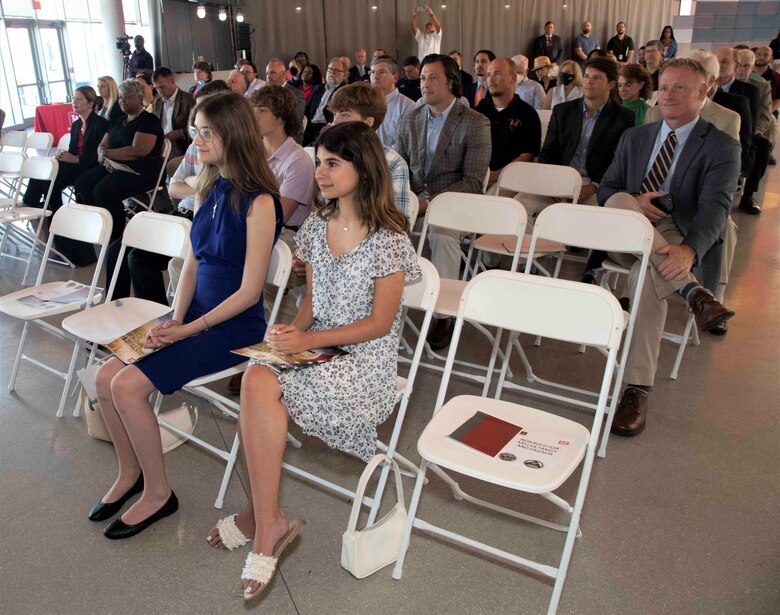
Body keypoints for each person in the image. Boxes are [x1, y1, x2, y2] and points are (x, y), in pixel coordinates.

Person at [205, 120, 420, 601]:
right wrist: (293, 330)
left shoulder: (388, 238)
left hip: (366, 363)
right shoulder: (319, 228)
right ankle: (267, 522)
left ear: (362, 169)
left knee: (261, 382)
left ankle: (257, 519)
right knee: (258, 374)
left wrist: (309, 336)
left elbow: (380, 324)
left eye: (333, 164)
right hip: (323, 345)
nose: (320, 173)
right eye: (318, 162)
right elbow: (312, 303)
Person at [90, 91, 282, 543]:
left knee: (127, 386)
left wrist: (185, 331)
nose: (196, 140)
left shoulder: (261, 202)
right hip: (192, 315)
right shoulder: (211, 186)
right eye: (195, 130)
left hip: (232, 325)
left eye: (206, 132)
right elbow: (193, 262)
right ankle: (130, 474)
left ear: (232, 134)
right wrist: (172, 317)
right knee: (103, 377)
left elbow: (250, 292)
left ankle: (158, 494)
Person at [598, 59, 740, 437]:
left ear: (702, 92)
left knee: (646, 275)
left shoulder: (722, 145)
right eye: (664, 87)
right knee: (619, 203)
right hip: (626, 227)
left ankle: (636, 388)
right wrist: (634, 199)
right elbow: (607, 188)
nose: (669, 95)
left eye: (680, 87)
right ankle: (693, 292)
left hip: (677, 233)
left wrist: (690, 251)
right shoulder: (635, 137)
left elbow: (716, 209)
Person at [395, 53, 490, 349]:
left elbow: (473, 181)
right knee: (383, 229)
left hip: (455, 204)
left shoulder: (475, 122)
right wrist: (409, 200)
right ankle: (387, 302)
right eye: (423, 78)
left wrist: (431, 204)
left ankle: (441, 314)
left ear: (451, 82)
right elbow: (400, 166)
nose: (425, 84)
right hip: (414, 200)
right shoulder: (411, 117)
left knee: (441, 234)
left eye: (433, 78)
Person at [127, 80, 231, 305]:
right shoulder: (197, 147)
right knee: (133, 254)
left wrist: (195, 182)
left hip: (205, 221)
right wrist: (201, 181)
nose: (196, 137)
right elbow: (173, 188)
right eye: (196, 126)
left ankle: (166, 322)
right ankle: (156, 319)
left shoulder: (233, 154)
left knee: (146, 258)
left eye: (206, 126)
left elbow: (219, 192)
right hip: (185, 213)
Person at [74, 79, 164, 299]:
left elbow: (137, 151)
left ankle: (115, 228)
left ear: (139, 98)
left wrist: (108, 154)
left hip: (140, 172)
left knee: (104, 190)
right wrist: (104, 154)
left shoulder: (148, 121)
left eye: (127, 97)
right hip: (116, 166)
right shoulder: (120, 120)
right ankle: (107, 223)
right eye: (121, 97)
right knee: (84, 183)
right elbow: (102, 144)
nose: (122, 101)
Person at [537, 57, 635, 213]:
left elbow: (617, 162)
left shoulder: (623, 117)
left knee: (593, 217)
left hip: (596, 184)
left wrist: (593, 187)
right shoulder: (562, 111)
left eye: (597, 78)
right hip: (560, 178)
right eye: (586, 76)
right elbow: (548, 152)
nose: (589, 82)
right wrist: (553, 183)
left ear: (610, 84)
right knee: (522, 204)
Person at [22, 86, 109, 257]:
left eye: (79, 99)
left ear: (91, 103)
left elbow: (99, 155)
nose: (74, 102)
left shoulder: (101, 124)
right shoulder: (76, 125)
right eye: (74, 99)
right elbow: (72, 150)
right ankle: (47, 214)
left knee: (51, 177)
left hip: (92, 167)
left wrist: (75, 159)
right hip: (76, 165)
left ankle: (41, 210)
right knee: (47, 171)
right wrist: (65, 156)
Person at [328, 82, 412, 217]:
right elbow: (324, 209)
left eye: (344, 115)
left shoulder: (392, 163)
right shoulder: (329, 157)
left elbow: (397, 222)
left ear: (367, 123)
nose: (334, 123)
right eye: (334, 114)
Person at [477, 57, 541, 188]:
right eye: (488, 74)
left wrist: (496, 175)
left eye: (497, 73)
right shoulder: (478, 112)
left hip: (512, 179)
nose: (491, 79)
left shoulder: (527, 114)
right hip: (478, 176)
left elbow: (527, 156)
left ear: (513, 79)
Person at [371, 55, 416, 149]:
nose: (375, 77)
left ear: (395, 77)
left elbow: (407, 145)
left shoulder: (408, 107)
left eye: (381, 72)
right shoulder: (365, 104)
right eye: (372, 72)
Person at [152, 67, 195, 160]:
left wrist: (181, 133)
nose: (160, 91)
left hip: (180, 145)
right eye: (156, 88)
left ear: (172, 81)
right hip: (161, 142)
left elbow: (196, 128)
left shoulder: (189, 100)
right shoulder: (157, 102)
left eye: (162, 87)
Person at [303, 58, 347, 146]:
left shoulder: (344, 91)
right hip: (310, 126)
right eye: (330, 69)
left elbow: (340, 114)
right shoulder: (318, 88)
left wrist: (330, 125)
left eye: (336, 70)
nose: (332, 72)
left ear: (344, 75)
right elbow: (307, 110)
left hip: (327, 126)